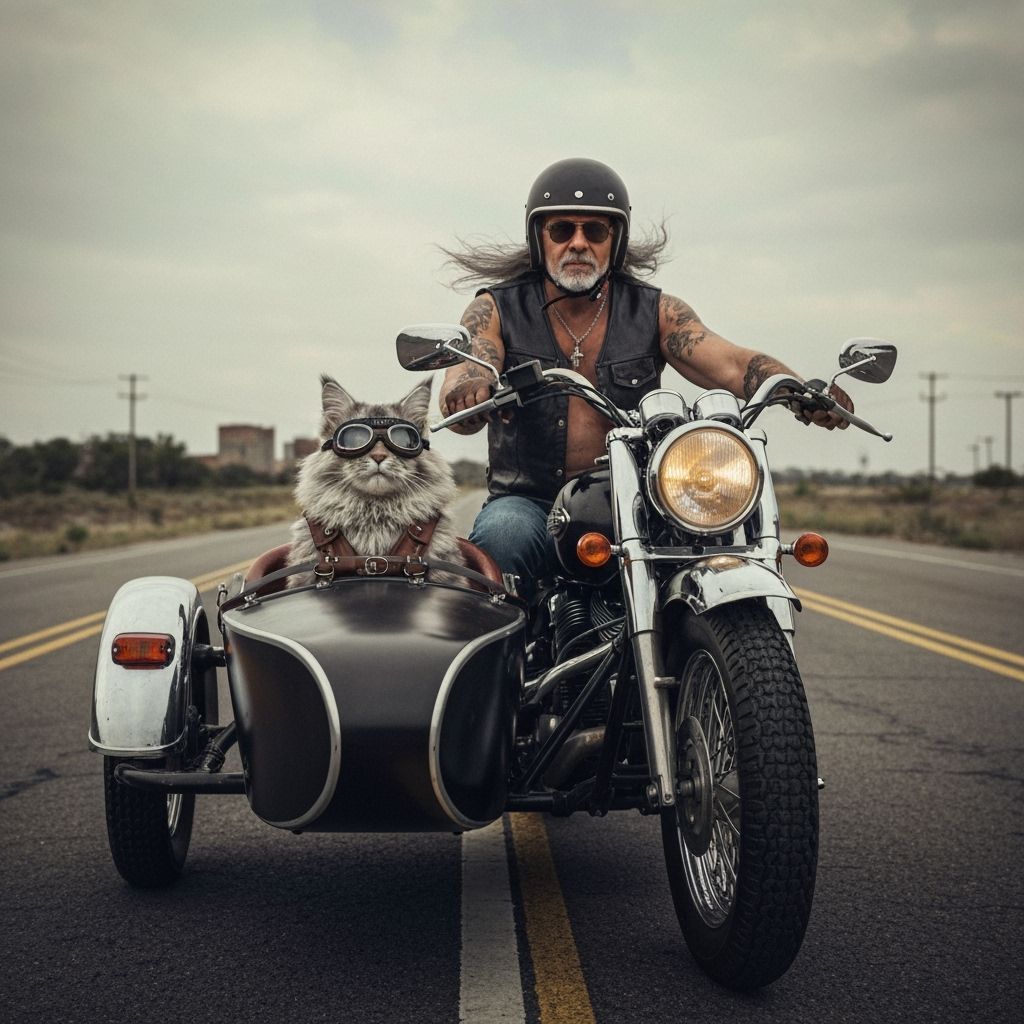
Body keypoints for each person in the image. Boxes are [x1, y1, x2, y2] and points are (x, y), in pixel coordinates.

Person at [438, 157, 852, 593]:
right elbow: (468, 363)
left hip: (636, 499)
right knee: (504, 537)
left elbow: (731, 362)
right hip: (529, 500)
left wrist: (803, 389)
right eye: (562, 230)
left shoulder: (654, 311)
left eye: (595, 231)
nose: (578, 243)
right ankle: (498, 660)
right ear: (540, 238)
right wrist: (467, 389)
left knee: (709, 550)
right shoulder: (498, 308)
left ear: (614, 241)